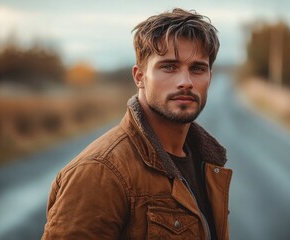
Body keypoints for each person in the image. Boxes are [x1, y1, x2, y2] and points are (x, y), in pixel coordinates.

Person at [42, 8, 232, 240]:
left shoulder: (207, 163)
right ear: (139, 76)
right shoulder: (100, 170)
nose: (186, 82)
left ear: (210, 77)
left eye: (197, 68)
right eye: (169, 67)